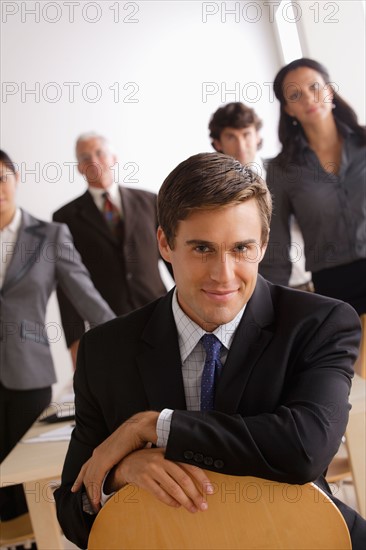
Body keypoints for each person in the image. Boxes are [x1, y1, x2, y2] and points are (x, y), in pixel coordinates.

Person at [54, 152, 365, 549]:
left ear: (263, 245)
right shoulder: (105, 350)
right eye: (202, 249)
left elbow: (304, 449)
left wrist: (153, 426)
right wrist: (119, 474)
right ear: (165, 243)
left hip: (300, 535)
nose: (223, 273)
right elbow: (72, 514)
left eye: (241, 248)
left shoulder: (319, 324)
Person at [0, 149, 115, 520]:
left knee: (26, 482)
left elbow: (86, 297)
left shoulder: (48, 236)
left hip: (28, 371)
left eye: (2, 177)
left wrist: (122, 340)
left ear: (16, 179)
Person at [53, 133, 170, 367]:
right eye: (85, 156)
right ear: (78, 168)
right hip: (107, 322)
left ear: (113, 158)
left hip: (158, 311)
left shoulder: (150, 201)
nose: (94, 160)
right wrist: (74, 340)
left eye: (100, 152)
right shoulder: (65, 217)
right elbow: (66, 284)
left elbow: (172, 257)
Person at [259, 58, 366, 314]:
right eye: (295, 94)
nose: (308, 98)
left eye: (314, 87)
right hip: (337, 289)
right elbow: (276, 246)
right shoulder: (282, 170)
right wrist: (263, 313)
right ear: (288, 109)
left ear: (329, 91)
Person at [209, 101, 312, 291]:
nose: (241, 145)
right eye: (231, 137)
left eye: (246, 134)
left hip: (312, 278)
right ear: (218, 143)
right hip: (264, 287)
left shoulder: (288, 171)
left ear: (257, 136)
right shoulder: (216, 190)